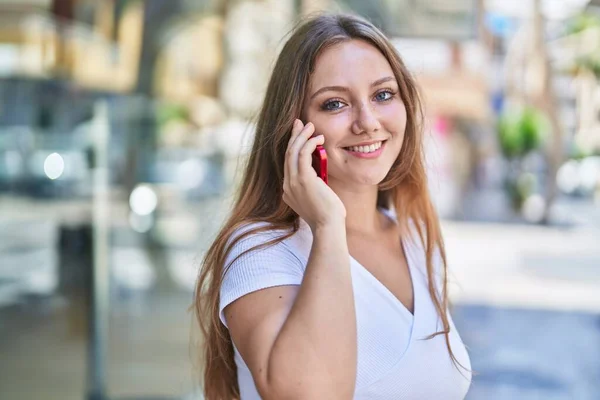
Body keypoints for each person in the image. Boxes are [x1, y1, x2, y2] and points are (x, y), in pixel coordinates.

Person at [194, 13, 472, 400]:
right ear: (295, 126)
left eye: (383, 95)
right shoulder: (259, 251)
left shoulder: (414, 234)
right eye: (335, 103)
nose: (368, 121)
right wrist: (327, 226)